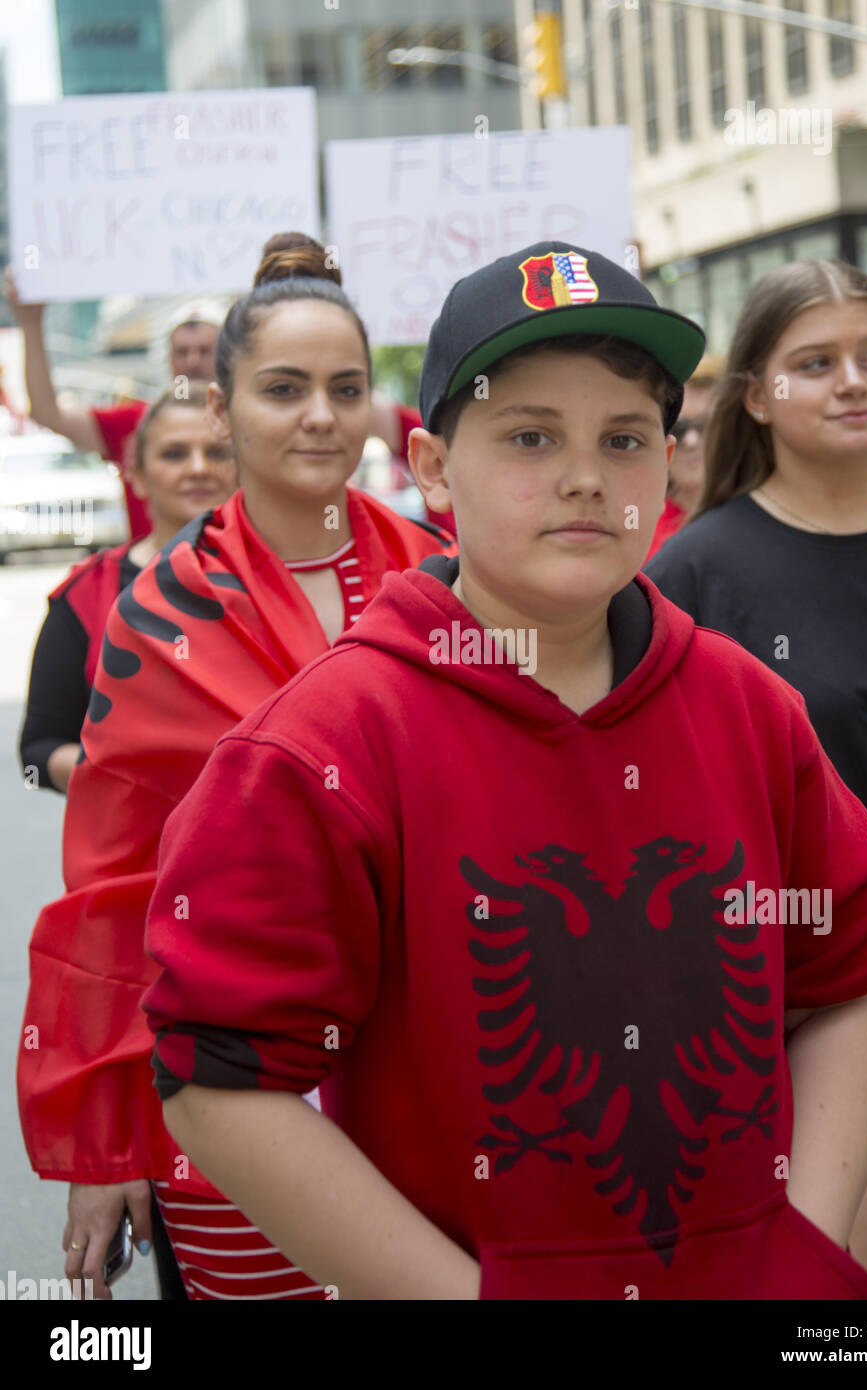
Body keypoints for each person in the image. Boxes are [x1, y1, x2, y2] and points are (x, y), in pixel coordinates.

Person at [143, 241, 867, 1300]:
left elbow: (848, 981)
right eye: (531, 436)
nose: (586, 475)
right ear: (435, 468)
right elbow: (215, 1078)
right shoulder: (323, 745)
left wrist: (799, 1242)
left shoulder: (750, 707)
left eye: (626, 438)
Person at [17, 233, 453, 1301]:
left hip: (441, 1074)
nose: (319, 415)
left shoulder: (446, 578)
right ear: (221, 410)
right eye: (283, 388)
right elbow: (117, 891)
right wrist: (110, 1140)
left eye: (345, 388)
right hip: (236, 1090)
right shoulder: (159, 611)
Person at [645, 258, 867, 1288]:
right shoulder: (689, 576)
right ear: (756, 396)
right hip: (792, 1017)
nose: (854, 381)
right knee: (858, 1304)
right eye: (816, 363)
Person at [19, 382, 237, 793]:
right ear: (135, 476)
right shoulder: (86, 594)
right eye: (174, 454)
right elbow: (38, 751)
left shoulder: (284, 580)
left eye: (217, 452)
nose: (198, 467)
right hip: (134, 851)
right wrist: (128, 777)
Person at [3, 267, 223, 540]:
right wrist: (31, 324)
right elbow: (48, 413)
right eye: (173, 453)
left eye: (217, 452)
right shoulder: (135, 422)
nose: (192, 361)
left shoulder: (250, 422)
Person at [645, 355, 722, 561]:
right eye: (679, 428)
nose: (691, 441)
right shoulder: (637, 527)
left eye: (705, 426)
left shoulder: (757, 516)